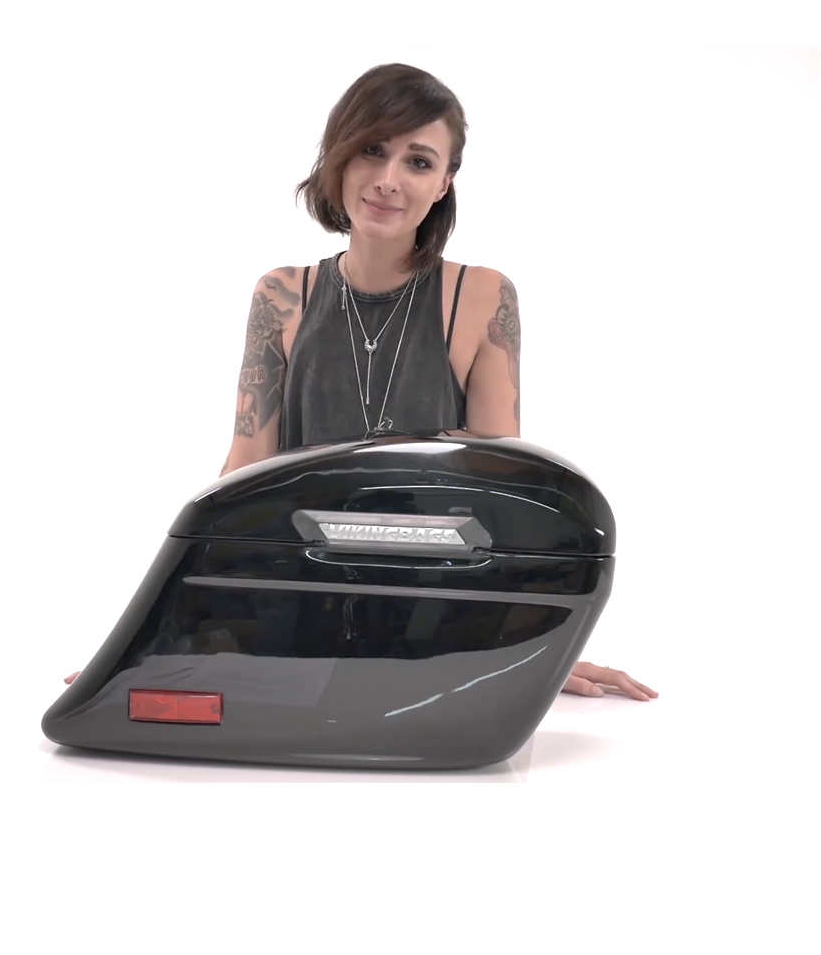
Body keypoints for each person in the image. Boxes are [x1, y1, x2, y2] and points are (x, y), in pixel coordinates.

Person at [65, 62, 657, 705]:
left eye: (418, 162)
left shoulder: (482, 297)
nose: (388, 180)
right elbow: (240, 480)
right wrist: (150, 639)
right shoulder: (281, 296)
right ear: (340, 155)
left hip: (431, 617)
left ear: (444, 183)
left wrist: (534, 643)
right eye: (373, 150)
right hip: (296, 607)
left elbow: (500, 498)